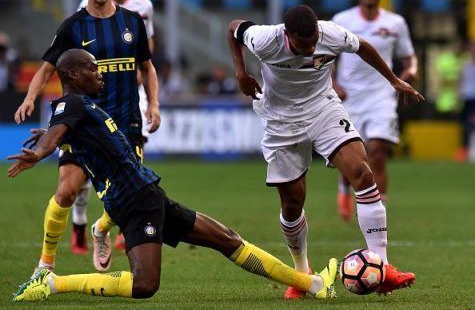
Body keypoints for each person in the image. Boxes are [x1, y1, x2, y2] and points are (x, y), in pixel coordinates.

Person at [9, 49, 338, 302]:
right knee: (145, 285)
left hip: (146, 195)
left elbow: (62, 132)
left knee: (228, 240)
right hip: (136, 201)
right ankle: (52, 283)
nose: (101, 74)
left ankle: (313, 283)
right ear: (70, 73)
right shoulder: (72, 105)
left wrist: (53, 134)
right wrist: (40, 151)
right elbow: (55, 137)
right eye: (93, 68)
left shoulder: (76, 109)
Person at [227, 5, 422, 299]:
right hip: (282, 122)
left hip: (323, 110)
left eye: (315, 40)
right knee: (292, 204)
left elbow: (363, 46)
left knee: (362, 173)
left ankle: (383, 268)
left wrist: (393, 79)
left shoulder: (330, 33)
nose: (312, 47)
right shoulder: (264, 39)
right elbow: (232, 27)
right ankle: (302, 274)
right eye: (304, 45)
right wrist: (241, 72)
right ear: (288, 35)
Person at [13, 0, 160, 275]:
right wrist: (30, 99)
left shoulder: (133, 21)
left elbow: (147, 68)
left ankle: (101, 228)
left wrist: (153, 104)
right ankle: (45, 265)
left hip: (125, 124)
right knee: (66, 191)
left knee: (129, 197)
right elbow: (46, 69)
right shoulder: (73, 26)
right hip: (83, 123)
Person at [77, 0, 157, 252]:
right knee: (87, 170)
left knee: (133, 166)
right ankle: (80, 222)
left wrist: (134, 67)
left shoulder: (143, 7)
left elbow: (148, 48)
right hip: (99, 96)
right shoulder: (85, 9)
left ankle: (123, 227)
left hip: (132, 95)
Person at [331, 0, 418, 221]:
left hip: (382, 95)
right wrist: (332, 83)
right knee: (350, 156)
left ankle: (379, 212)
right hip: (349, 96)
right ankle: (343, 190)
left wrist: (409, 73)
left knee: (378, 150)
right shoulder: (342, 19)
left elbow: (410, 58)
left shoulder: (395, 23)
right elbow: (325, 56)